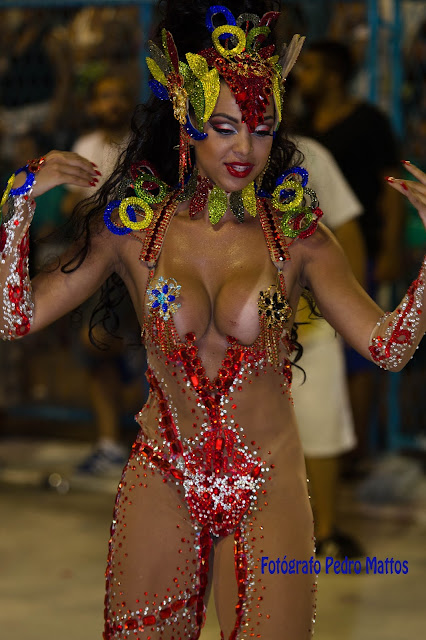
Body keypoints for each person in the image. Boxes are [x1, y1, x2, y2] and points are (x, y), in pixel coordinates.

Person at [1, 2, 425, 638]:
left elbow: (388, 347)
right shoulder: (131, 228)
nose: (244, 148)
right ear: (186, 119)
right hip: (162, 478)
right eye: (224, 127)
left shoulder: (297, 236)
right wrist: (15, 209)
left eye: (262, 128)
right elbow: (15, 317)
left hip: (268, 486)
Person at [293, 40, 405, 466]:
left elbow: (391, 189)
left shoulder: (368, 121)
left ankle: (357, 452)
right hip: (311, 262)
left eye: (311, 68)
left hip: (362, 249)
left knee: (360, 351)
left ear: (334, 75)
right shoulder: (302, 126)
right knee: (320, 355)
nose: (302, 76)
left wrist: (390, 248)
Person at [290, 135, 366, 557]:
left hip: (310, 323)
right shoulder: (205, 151)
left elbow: (346, 226)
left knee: (320, 425)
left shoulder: (311, 155)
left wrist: (344, 300)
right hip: (232, 327)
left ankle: (325, 532)